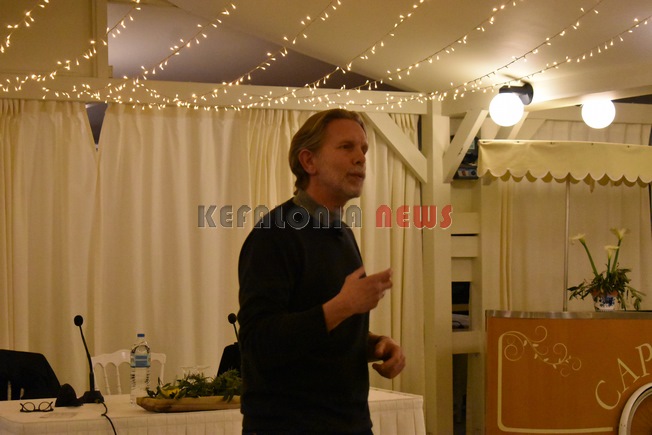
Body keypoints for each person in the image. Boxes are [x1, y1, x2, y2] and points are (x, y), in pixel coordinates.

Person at [237, 108, 406, 434]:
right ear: (309, 161)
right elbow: (258, 344)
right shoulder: (273, 235)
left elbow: (322, 333)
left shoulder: (343, 234)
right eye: (346, 147)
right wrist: (344, 305)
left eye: (363, 149)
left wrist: (375, 344)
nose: (361, 158)